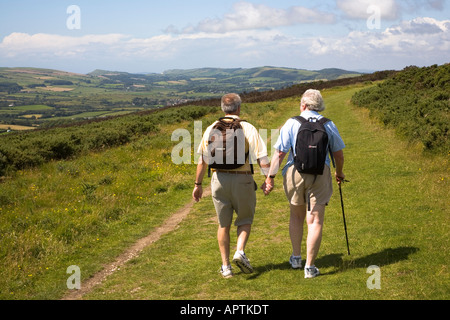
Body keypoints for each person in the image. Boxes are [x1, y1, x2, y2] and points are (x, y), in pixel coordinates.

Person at [263, 89, 346, 279]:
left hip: (295, 173)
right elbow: (338, 154)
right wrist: (339, 172)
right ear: (320, 106)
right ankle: (310, 267)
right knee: (315, 220)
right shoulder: (328, 124)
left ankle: (296, 257)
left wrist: (270, 177)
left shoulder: (292, 122)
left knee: (296, 216)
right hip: (320, 173)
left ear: (303, 105)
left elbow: (279, 154)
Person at [193, 93, 270, 278]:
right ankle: (240, 251)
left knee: (223, 224)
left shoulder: (211, 127)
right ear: (239, 108)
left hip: (218, 179)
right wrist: (268, 178)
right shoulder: (247, 127)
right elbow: (262, 157)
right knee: (245, 219)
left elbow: (203, 160)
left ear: (222, 108)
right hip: (242, 179)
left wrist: (198, 184)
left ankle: (226, 267)